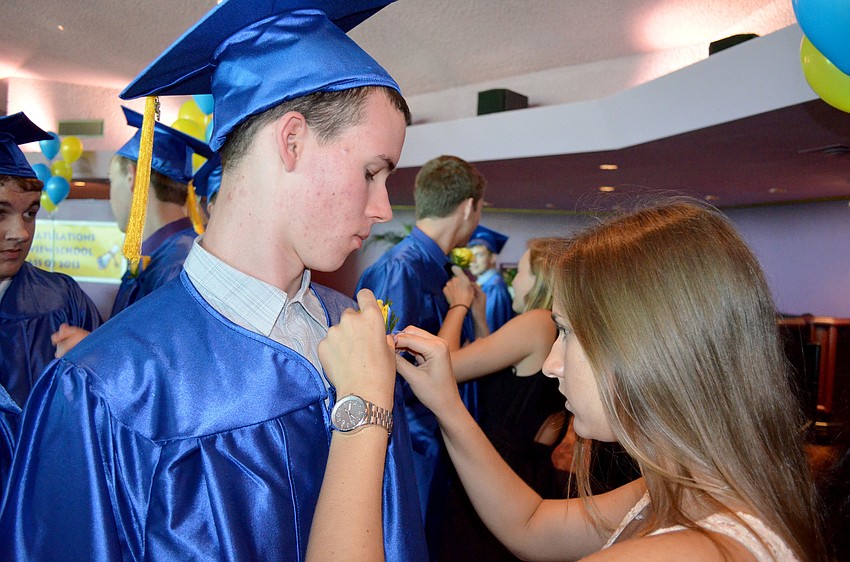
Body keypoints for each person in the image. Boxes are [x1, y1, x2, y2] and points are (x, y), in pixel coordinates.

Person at [0, 2, 427, 560]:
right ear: (291, 140)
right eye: (372, 171)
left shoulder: (354, 336)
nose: (380, 208)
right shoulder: (109, 390)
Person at [343, 201, 828, 561]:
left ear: (645, 347)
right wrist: (447, 405)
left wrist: (361, 411)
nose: (553, 363)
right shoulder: (685, 485)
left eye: (569, 335)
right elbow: (530, 524)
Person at [356, 153, 486, 539]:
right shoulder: (403, 267)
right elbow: (382, 367)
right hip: (411, 449)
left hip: (434, 442)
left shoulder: (438, 268)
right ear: (467, 208)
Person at [434, 238, 568, 561]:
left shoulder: (537, 322)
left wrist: (459, 305)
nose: (513, 281)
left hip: (498, 474)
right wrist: (480, 318)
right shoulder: (551, 330)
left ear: (539, 280)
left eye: (520, 272)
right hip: (529, 472)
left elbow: (441, 365)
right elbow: (505, 379)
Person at [0, 112, 101, 410]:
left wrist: (99, 365)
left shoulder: (62, 298)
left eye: (30, 213)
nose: (20, 234)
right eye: (0, 213)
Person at [467, 224, 514, 332]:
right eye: (471, 256)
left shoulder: (495, 288)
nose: (473, 261)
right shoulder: (484, 284)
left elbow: (491, 329)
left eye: (479, 255)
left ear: (492, 258)